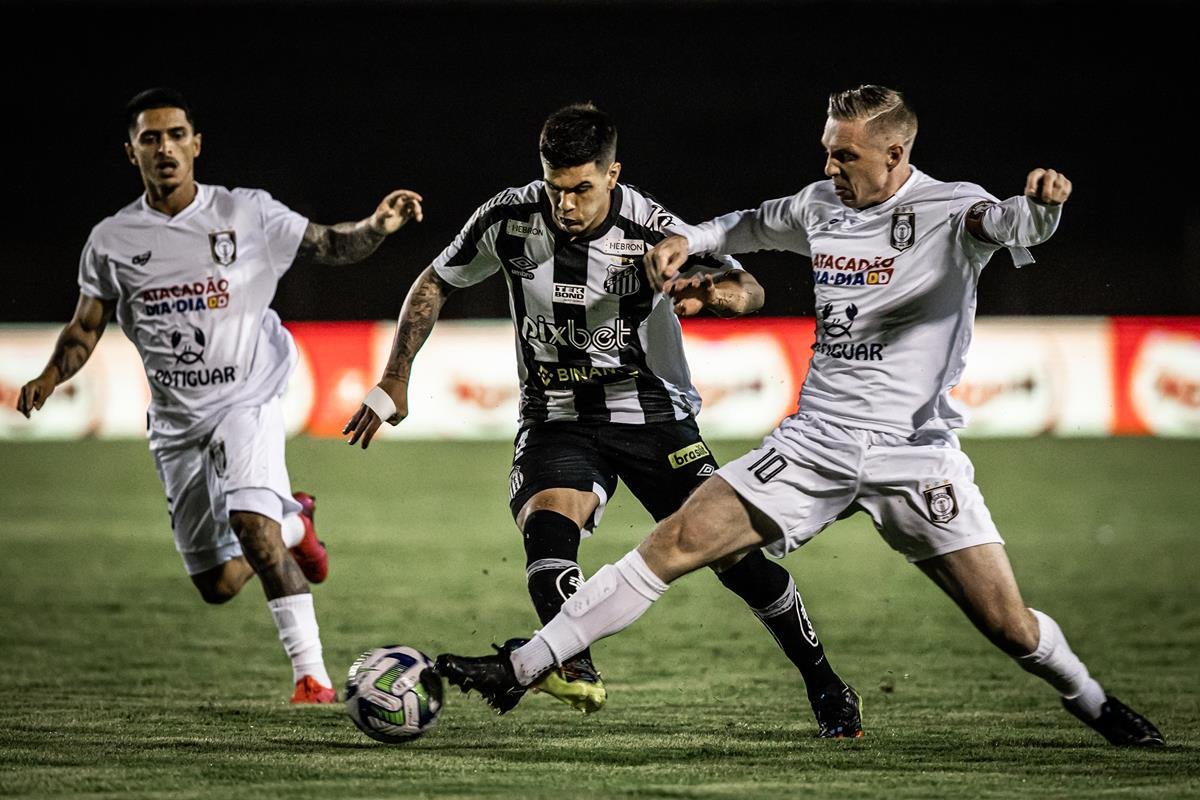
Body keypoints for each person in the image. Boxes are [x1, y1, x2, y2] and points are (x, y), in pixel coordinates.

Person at [433, 86, 1165, 747]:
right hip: (814, 443)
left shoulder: (950, 210)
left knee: (1011, 627)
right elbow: (748, 226)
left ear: (895, 153)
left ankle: (1094, 702)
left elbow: (1015, 224)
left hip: (914, 454)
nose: (831, 165)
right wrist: (691, 243)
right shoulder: (820, 206)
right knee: (675, 541)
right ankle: (522, 666)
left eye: (845, 154)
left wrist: (1045, 205)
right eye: (826, 150)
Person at [343, 103, 861, 736]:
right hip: (556, 414)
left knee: (736, 560)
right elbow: (435, 281)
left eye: (582, 189)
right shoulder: (509, 218)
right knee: (546, 530)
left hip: (651, 413)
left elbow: (748, 285)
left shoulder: (652, 229)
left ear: (613, 173)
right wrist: (397, 373)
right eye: (555, 188)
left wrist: (715, 295)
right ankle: (574, 663)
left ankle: (825, 683)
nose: (565, 204)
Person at [16, 87, 424, 704]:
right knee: (217, 584)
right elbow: (86, 325)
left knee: (249, 522)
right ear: (131, 153)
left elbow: (331, 245)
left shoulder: (246, 213)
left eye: (176, 134)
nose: (165, 148)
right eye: (149, 138)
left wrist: (378, 225)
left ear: (196, 144)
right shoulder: (112, 240)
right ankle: (296, 523)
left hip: (249, 395)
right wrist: (50, 376)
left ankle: (310, 676)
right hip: (178, 422)